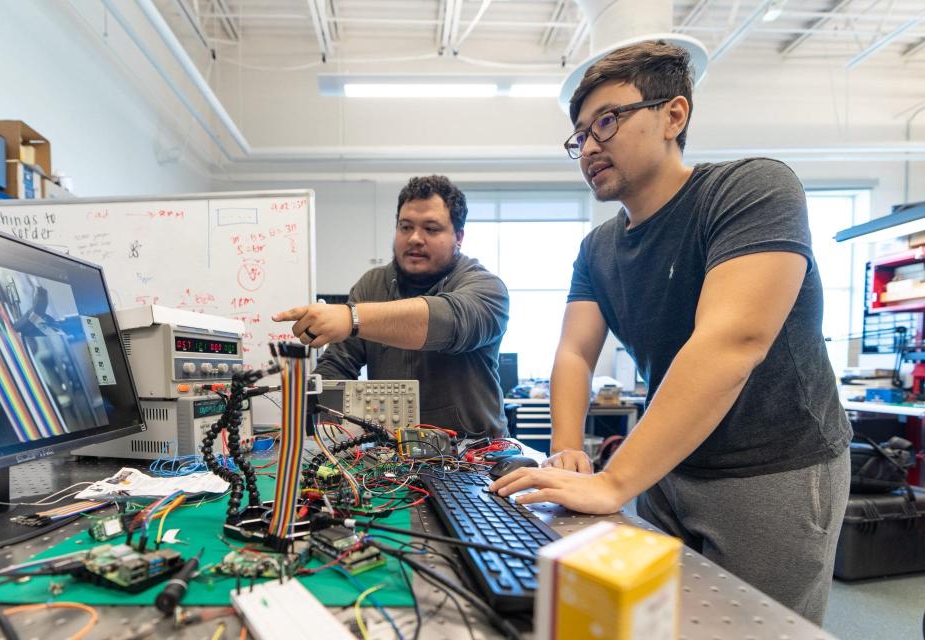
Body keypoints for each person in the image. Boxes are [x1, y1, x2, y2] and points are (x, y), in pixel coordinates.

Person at [489, 41, 851, 626]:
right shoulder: (598, 247)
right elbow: (575, 351)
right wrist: (568, 450)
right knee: (663, 621)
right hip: (667, 466)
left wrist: (615, 482)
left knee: (757, 630)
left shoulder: (752, 190)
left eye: (606, 120)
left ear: (673, 115)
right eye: (579, 135)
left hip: (775, 468)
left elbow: (731, 344)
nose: (589, 147)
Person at [273, 175, 510, 438]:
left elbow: (448, 320)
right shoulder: (372, 285)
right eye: (405, 227)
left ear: (459, 236)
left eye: (431, 229)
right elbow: (338, 366)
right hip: (393, 459)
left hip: (474, 455)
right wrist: (309, 416)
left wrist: (352, 318)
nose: (415, 238)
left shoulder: (486, 288)